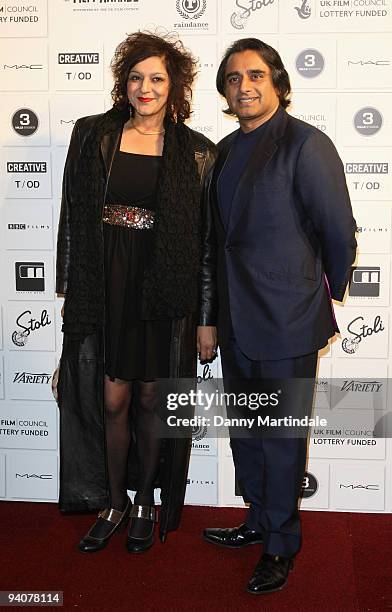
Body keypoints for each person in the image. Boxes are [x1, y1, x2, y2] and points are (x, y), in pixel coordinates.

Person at [197, 38, 357, 594]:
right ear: (224, 89)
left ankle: (282, 545)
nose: (245, 86)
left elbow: (338, 234)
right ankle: (258, 520)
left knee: (283, 437)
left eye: (257, 75)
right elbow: (217, 243)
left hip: (288, 320)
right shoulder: (221, 152)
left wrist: (315, 294)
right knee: (248, 432)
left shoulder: (307, 145)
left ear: (278, 84)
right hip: (236, 320)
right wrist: (210, 315)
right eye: (235, 77)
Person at [55, 31, 216, 554]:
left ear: (176, 87)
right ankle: (114, 502)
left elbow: (207, 243)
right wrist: (70, 307)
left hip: (164, 292)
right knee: (111, 398)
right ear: (123, 83)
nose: (145, 88)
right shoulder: (91, 135)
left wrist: (206, 317)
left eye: (157, 79)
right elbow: (74, 225)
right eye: (136, 77)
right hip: (106, 286)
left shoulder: (195, 152)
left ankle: (146, 499)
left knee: (151, 398)